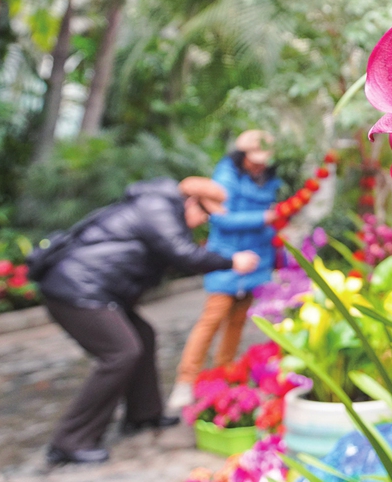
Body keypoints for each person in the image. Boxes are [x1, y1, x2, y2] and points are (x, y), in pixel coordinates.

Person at [37, 177, 260, 466]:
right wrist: (233, 262)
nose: (203, 221)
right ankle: (69, 441)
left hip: (97, 292)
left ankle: (143, 414)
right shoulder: (157, 208)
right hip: (75, 291)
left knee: (143, 335)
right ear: (190, 202)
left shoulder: (161, 208)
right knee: (121, 352)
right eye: (204, 214)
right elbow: (183, 254)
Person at [169, 130, 281, 409]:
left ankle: (226, 377)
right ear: (241, 155)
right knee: (211, 320)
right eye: (254, 159)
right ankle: (185, 381)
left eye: (263, 160)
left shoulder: (272, 180)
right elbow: (223, 219)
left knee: (238, 322)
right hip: (226, 259)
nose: (259, 165)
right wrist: (264, 217)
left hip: (258, 259)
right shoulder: (225, 176)